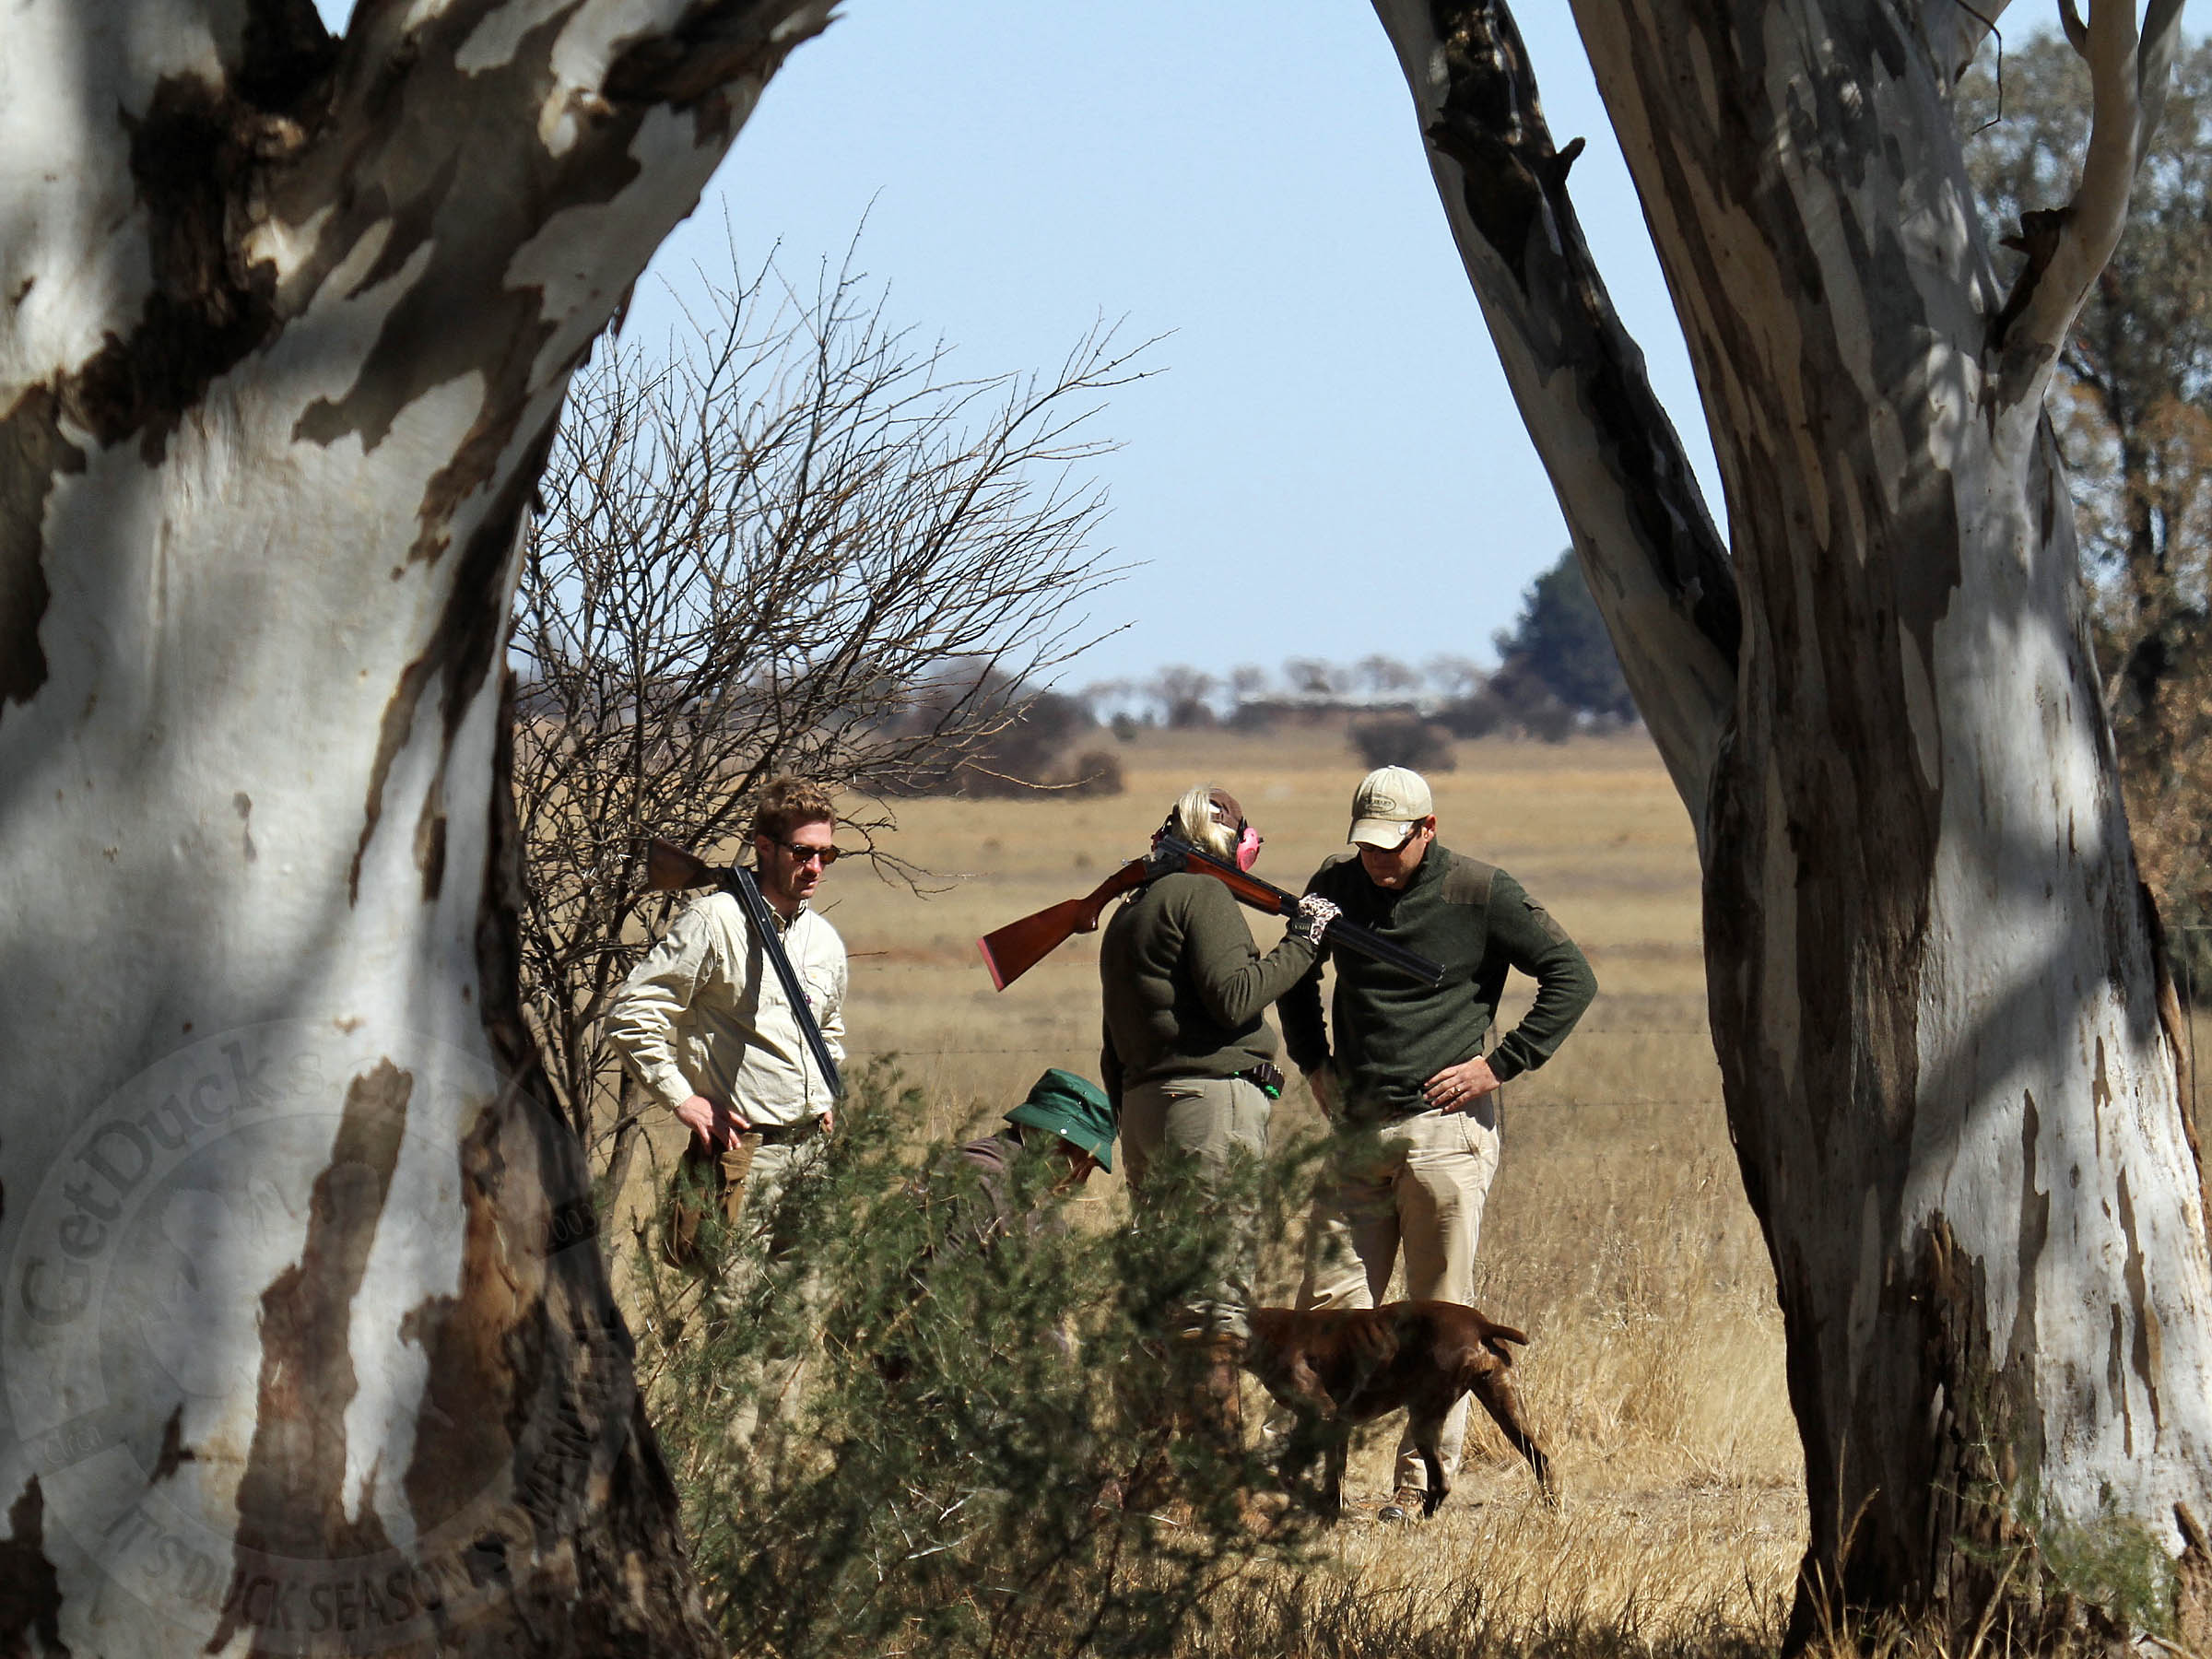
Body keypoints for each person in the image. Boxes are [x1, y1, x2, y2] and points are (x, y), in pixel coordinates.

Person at [1279, 765, 1594, 1522]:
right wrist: (1312, 1060)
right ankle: (1314, 1489)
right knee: (1326, 1307)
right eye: (1367, 847)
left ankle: (1416, 1492)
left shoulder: (1482, 893)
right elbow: (1295, 970)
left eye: (1394, 846)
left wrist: (1498, 1064)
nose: (1379, 861)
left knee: (1439, 1320)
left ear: (1429, 829)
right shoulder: (1336, 881)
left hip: (1446, 1136)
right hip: (1357, 1129)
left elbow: (1570, 976)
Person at [1098, 784, 1336, 1453]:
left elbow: (1113, 1044)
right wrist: (1305, 940)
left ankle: (1148, 1462)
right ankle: (1219, 1469)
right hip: (1209, 1107)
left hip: (1147, 1108)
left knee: (1163, 1290)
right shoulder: (1202, 895)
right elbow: (1236, 999)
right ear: (1221, 841)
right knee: (1214, 1294)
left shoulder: (1129, 911)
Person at [606, 775, 848, 1297]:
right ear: (765, 847)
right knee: (734, 1328)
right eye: (804, 853)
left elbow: (828, 1026)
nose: (815, 869)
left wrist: (824, 1089)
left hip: (812, 1153)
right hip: (744, 1155)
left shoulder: (823, 939)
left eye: (827, 856)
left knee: (797, 1322)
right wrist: (684, 1100)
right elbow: (632, 1013)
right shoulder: (713, 921)